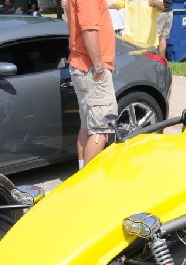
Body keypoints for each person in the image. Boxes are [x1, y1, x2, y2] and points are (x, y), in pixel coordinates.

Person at [66, 0, 118, 169]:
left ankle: (82, 174)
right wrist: (98, 66)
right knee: (101, 129)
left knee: (87, 126)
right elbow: (89, 29)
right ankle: (87, 184)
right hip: (91, 69)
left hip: (81, 65)